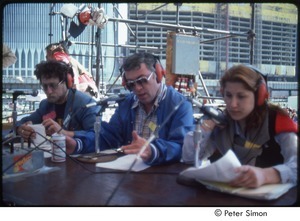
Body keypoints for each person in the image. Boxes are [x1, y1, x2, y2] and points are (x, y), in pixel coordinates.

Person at [182, 64, 298, 188]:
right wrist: (206, 127)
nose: (233, 104)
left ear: (260, 96)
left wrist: (267, 175)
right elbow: (189, 159)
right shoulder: (222, 123)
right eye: (228, 95)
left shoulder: (278, 121)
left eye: (241, 96)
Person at [77, 52, 194, 165]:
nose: (137, 88)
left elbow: (182, 146)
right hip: (129, 175)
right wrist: (78, 144)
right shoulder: (127, 104)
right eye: (131, 84)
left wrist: (152, 150)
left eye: (142, 81)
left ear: (158, 75)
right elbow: (108, 137)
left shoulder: (181, 105)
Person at [16, 60, 100, 155]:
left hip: (80, 160)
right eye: (45, 86)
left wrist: (63, 133)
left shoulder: (86, 103)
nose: (49, 91)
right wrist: (20, 130)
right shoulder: (45, 105)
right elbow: (22, 122)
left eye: (53, 85)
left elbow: (97, 135)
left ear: (68, 83)